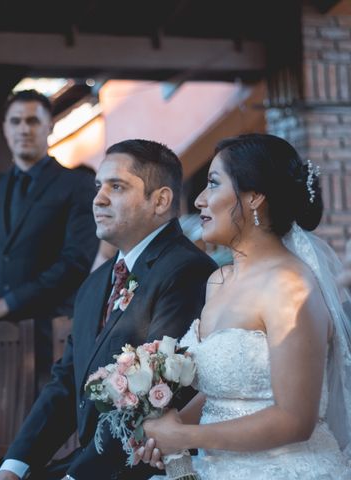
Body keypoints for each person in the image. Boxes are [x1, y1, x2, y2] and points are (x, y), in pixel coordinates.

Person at [0, 139, 217, 480]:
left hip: (140, 469)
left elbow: (155, 399)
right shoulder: (96, 282)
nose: (98, 199)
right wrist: (13, 468)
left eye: (117, 186)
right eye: (98, 186)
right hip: (85, 462)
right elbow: (66, 384)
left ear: (160, 200)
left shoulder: (187, 271)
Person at [137, 134, 351, 478]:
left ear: (254, 198)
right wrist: (165, 431)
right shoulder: (218, 281)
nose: (199, 200)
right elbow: (229, 392)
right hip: (215, 467)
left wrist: (186, 435)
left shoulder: (290, 287)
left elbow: (295, 419)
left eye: (213, 184)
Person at [0, 90, 99, 387]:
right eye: (16, 121)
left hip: (52, 336)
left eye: (33, 121)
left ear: (50, 126)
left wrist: (6, 304)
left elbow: (75, 263)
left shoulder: (77, 185)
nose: (24, 128)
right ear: (5, 129)